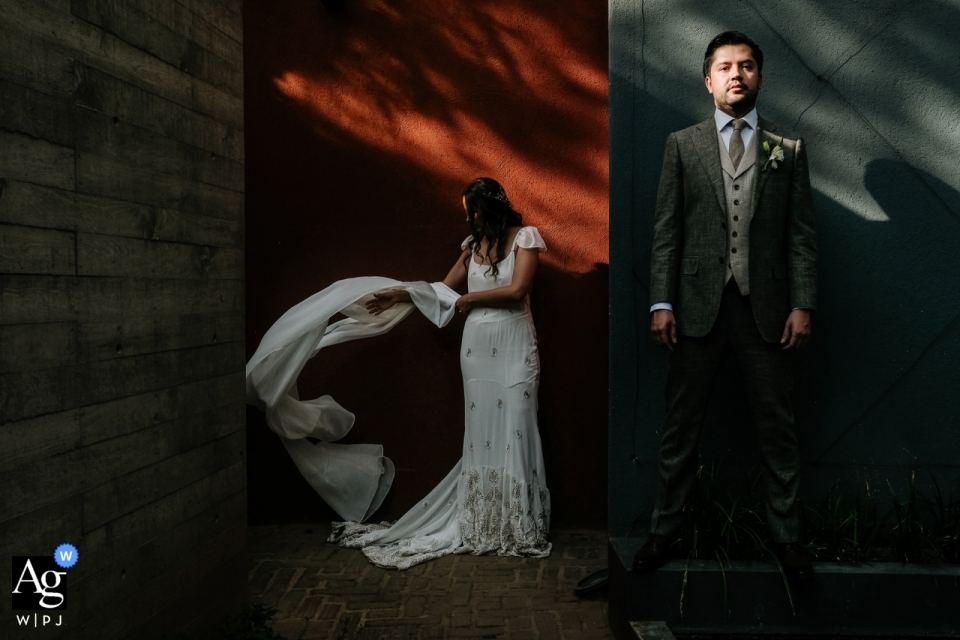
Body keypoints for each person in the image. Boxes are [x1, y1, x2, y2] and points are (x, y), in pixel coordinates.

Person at [635, 31, 817, 576]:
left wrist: (803, 304)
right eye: (725, 67)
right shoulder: (682, 144)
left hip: (766, 312)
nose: (736, 74)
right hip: (693, 309)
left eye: (746, 66)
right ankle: (663, 533)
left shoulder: (786, 150)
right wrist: (660, 301)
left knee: (778, 430)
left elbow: (800, 236)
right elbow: (667, 230)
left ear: (759, 77)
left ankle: (787, 540)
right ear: (708, 80)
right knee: (679, 430)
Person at [330, 177, 552, 569]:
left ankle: (518, 523)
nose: (469, 217)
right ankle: (484, 518)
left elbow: (518, 291)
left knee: (519, 422)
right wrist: (400, 294)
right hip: (477, 349)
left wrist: (470, 298)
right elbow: (442, 290)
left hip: (515, 345)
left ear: (492, 207)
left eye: (474, 209)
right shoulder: (471, 248)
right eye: (467, 210)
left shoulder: (525, 238)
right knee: (482, 432)